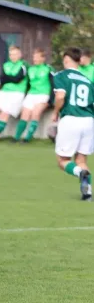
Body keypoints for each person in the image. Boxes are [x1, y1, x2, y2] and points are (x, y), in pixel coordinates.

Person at [52, 47, 94, 201]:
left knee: (62, 160)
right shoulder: (88, 81)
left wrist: (56, 112)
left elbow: (60, 97)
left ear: (66, 60)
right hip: (88, 121)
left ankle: (79, 173)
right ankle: (87, 192)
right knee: (81, 160)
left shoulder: (61, 75)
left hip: (71, 119)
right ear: (79, 61)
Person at [0, 45, 29, 143]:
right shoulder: (6, 65)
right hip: (4, 92)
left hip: (17, 93)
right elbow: (2, 79)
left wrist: (8, 78)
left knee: (4, 113)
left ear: (20, 55)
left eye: (15, 54)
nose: (13, 56)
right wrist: (9, 78)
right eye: (11, 54)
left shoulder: (24, 65)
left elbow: (17, 79)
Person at [12, 48, 55, 143]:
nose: (34, 59)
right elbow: (27, 84)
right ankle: (16, 138)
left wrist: (51, 100)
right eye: (34, 57)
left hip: (43, 95)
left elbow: (53, 84)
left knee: (35, 113)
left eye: (37, 57)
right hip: (31, 95)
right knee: (25, 115)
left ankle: (27, 138)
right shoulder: (30, 69)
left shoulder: (48, 69)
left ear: (43, 58)